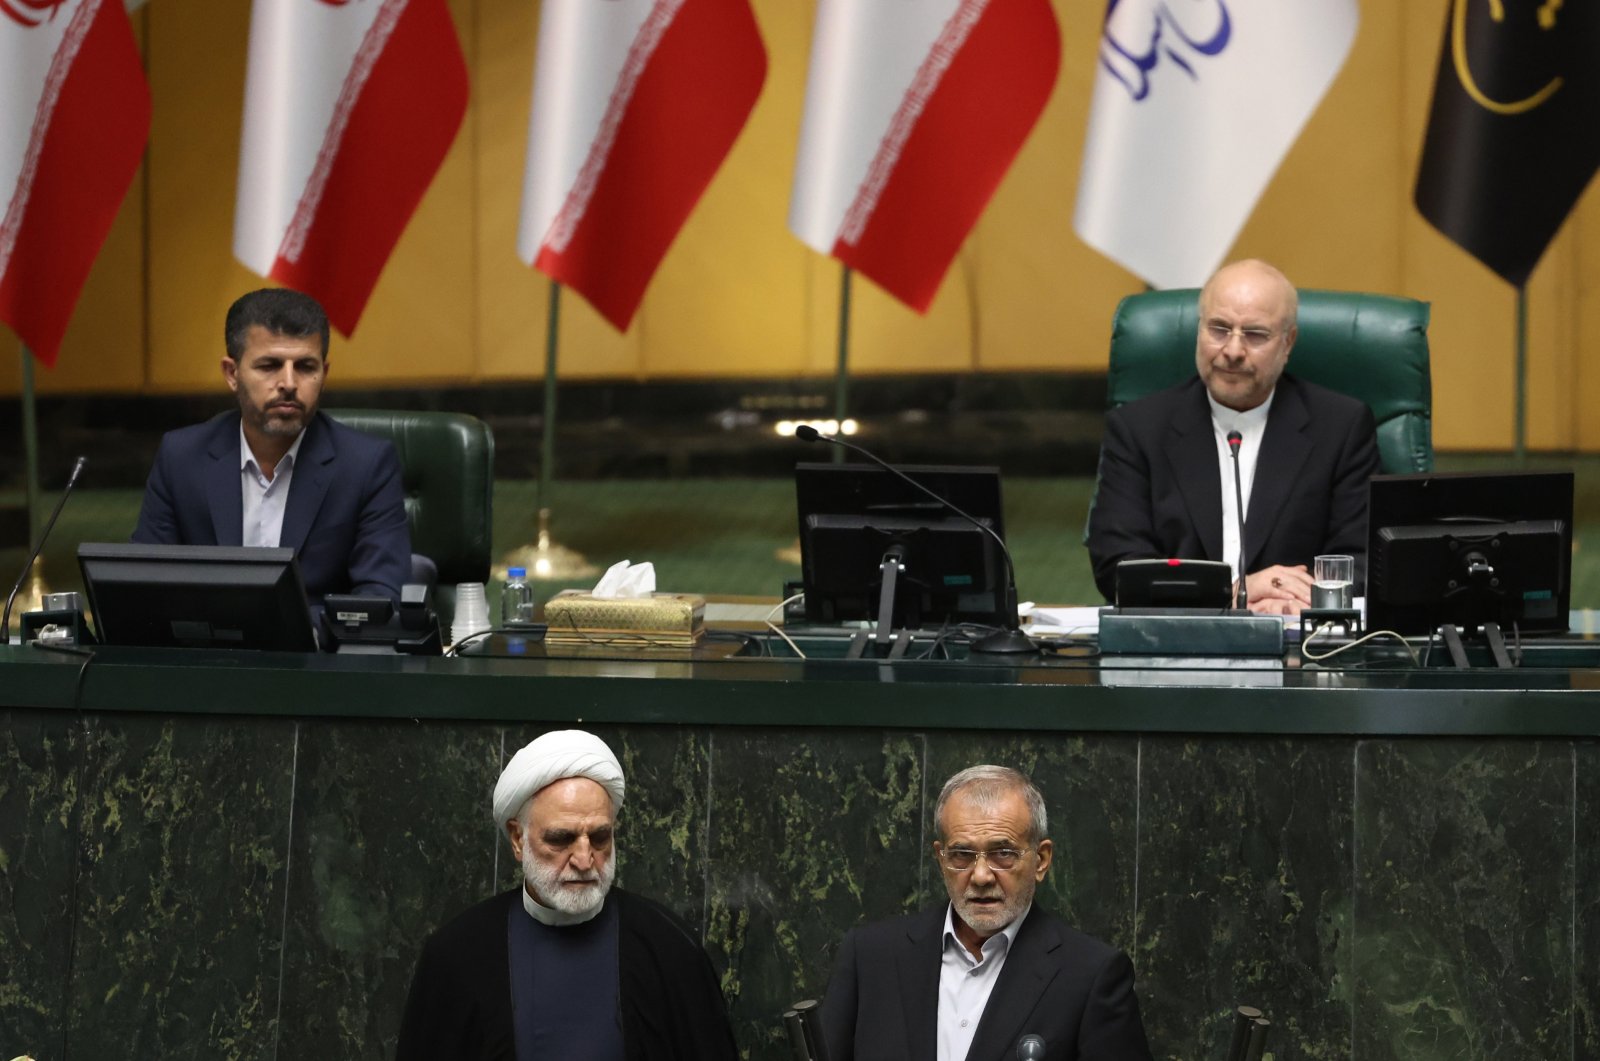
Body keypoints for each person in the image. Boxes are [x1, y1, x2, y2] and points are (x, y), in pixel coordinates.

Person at [396, 729, 739, 1061]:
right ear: (518, 839)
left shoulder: (670, 949)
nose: (584, 859)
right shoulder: (457, 955)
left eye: (600, 837)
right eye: (561, 838)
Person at [1085, 259, 1380, 615]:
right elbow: (1118, 566)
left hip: (1296, 646)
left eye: (1255, 334)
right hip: (1176, 647)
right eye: (1219, 329)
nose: (1234, 350)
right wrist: (1234, 593)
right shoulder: (1138, 429)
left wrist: (1302, 600)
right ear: (1199, 330)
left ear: (1288, 343)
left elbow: (1364, 560)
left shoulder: (1341, 427)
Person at [821, 765, 1153, 1061]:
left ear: (1041, 860)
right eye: (962, 854)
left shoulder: (1090, 974)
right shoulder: (870, 957)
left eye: (1003, 853)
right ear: (941, 859)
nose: (981, 876)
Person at [131, 288, 410, 603]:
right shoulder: (181, 457)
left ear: (324, 373)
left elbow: (382, 599)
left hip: (316, 649)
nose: (289, 383)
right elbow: (145, 587)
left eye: (305, 367)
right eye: (269, 365)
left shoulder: (366, 465)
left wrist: (285, 630)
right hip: (210, 649)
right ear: (232, 373)